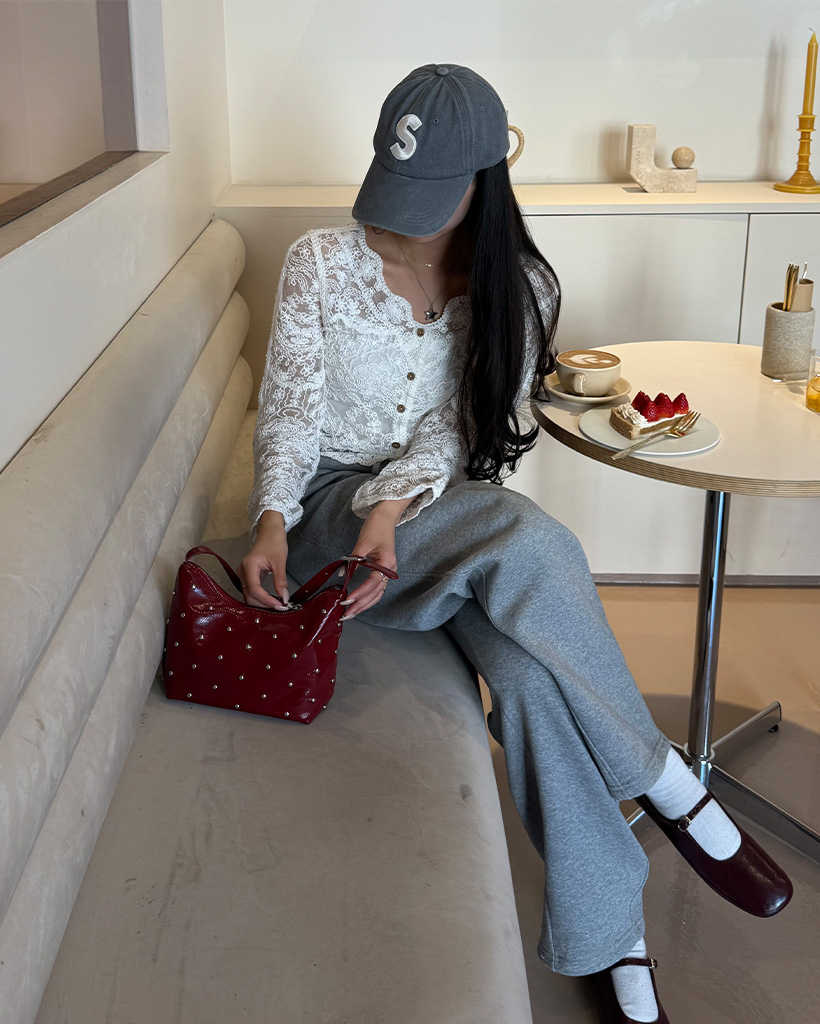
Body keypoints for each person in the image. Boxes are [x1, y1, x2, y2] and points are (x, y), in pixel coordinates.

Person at [238, 64, 792, 1024]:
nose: (401, 219)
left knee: (533, 679)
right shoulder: (319, 262)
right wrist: (275, 519)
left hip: (431, 520)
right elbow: (287, 413)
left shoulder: (520, 286)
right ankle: (667, 782)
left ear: (484, 179)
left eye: (430, 194)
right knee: (527, 535)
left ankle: (608, 937)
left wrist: (396, 508)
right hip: (331, 517)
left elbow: (461, 428)